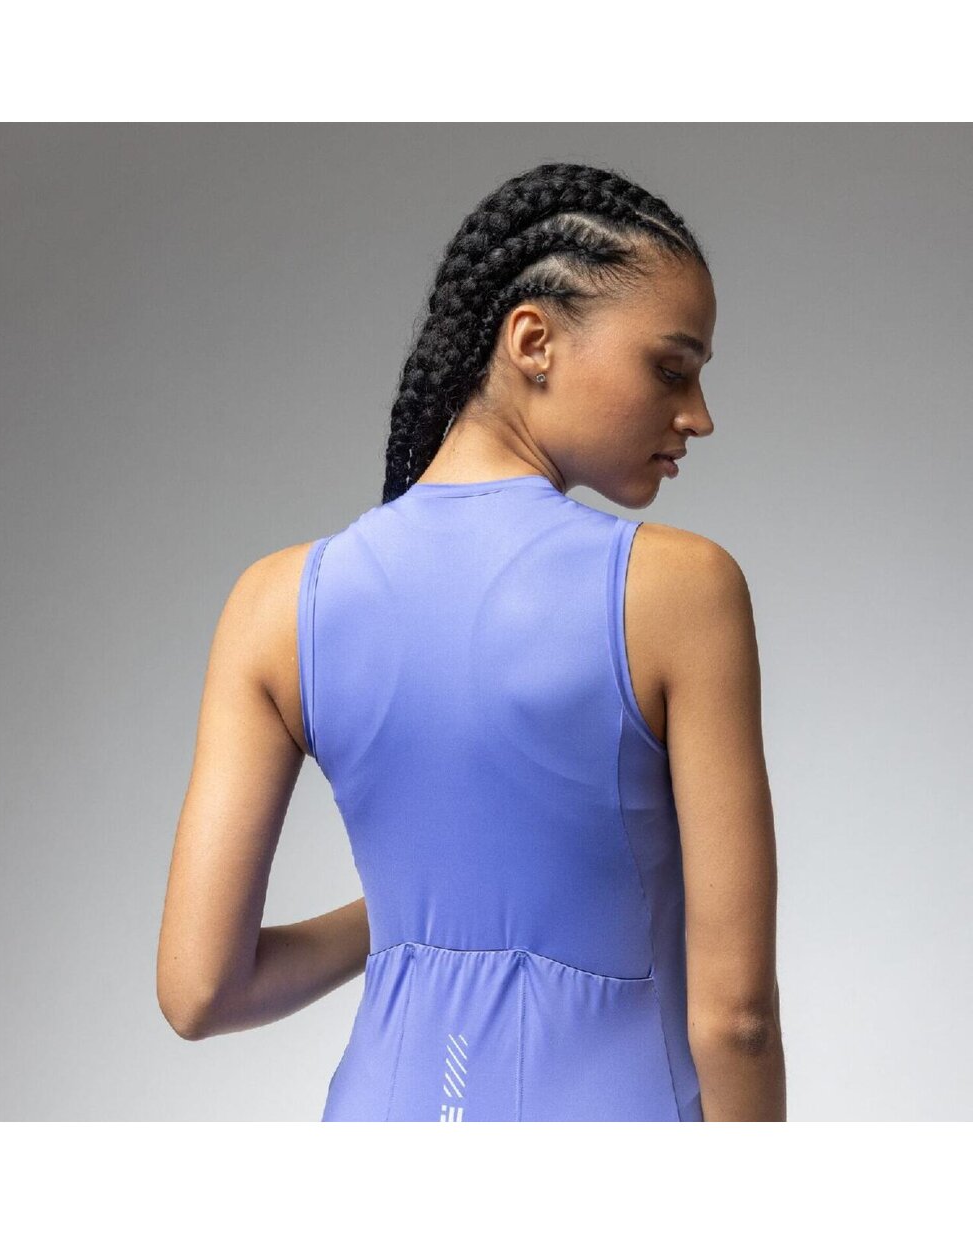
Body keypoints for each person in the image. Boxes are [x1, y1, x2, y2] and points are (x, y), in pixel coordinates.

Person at [157, 160, 786, 1122]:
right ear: (533, 341)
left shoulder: (276, 603)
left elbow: (202, 992)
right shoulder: (677, 590)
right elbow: (736, 1018)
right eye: (672, 367)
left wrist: (416, 925)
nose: (698, 414)